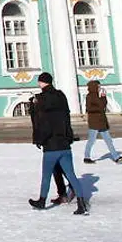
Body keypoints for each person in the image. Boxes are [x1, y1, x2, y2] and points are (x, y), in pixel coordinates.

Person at [28, 72, 89, 215]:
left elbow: (39, 122)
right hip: (64, 143)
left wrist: (38, 139)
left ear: (41, 83)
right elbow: (66, 117)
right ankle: (81, 203)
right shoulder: (61, 96)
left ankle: (42, 201)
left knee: (46, 175)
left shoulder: (40, 99)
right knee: (71, 174)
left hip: (50, 145)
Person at [83, 80, 122, 164]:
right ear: (94, 87)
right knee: (91, 140)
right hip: (94, 122)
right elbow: (89, 108)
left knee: (108, 140)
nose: (99, 88)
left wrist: (103, 97)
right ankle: (86, 157)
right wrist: (98, 109)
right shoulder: (90, 96)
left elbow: (103, 105)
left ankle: (116, 157)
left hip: (102, 122)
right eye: (98, 86)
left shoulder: (98, 96)